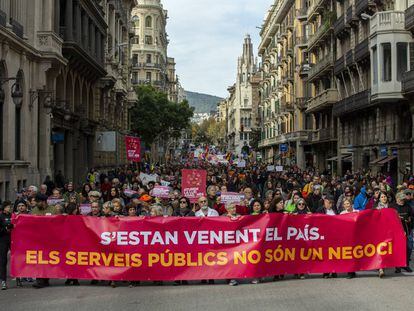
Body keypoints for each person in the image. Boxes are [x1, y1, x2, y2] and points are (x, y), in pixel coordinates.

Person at [391, 192, 413, 273]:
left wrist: (410, 219)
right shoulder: (392, 206)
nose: (403, 201)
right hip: (396, 231)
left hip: (407, 230)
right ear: (397, 198)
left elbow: (412, 215)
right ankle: (397, 266)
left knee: (409, 247)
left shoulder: (408, 206)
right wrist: (397, 218)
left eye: (403, 199)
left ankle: (405, 264)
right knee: (398, 248)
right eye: (401, 199)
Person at [0, 201, 13, 290]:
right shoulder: (0, 216)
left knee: (16, 258)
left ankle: (19, 277)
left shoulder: (12, 215)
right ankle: (3, 281)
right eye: (8, 207)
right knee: (3, 260)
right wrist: (5, 228)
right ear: (4, 208)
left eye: (10, 207)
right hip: (3, 239)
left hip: (13, 240)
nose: (9, 208)